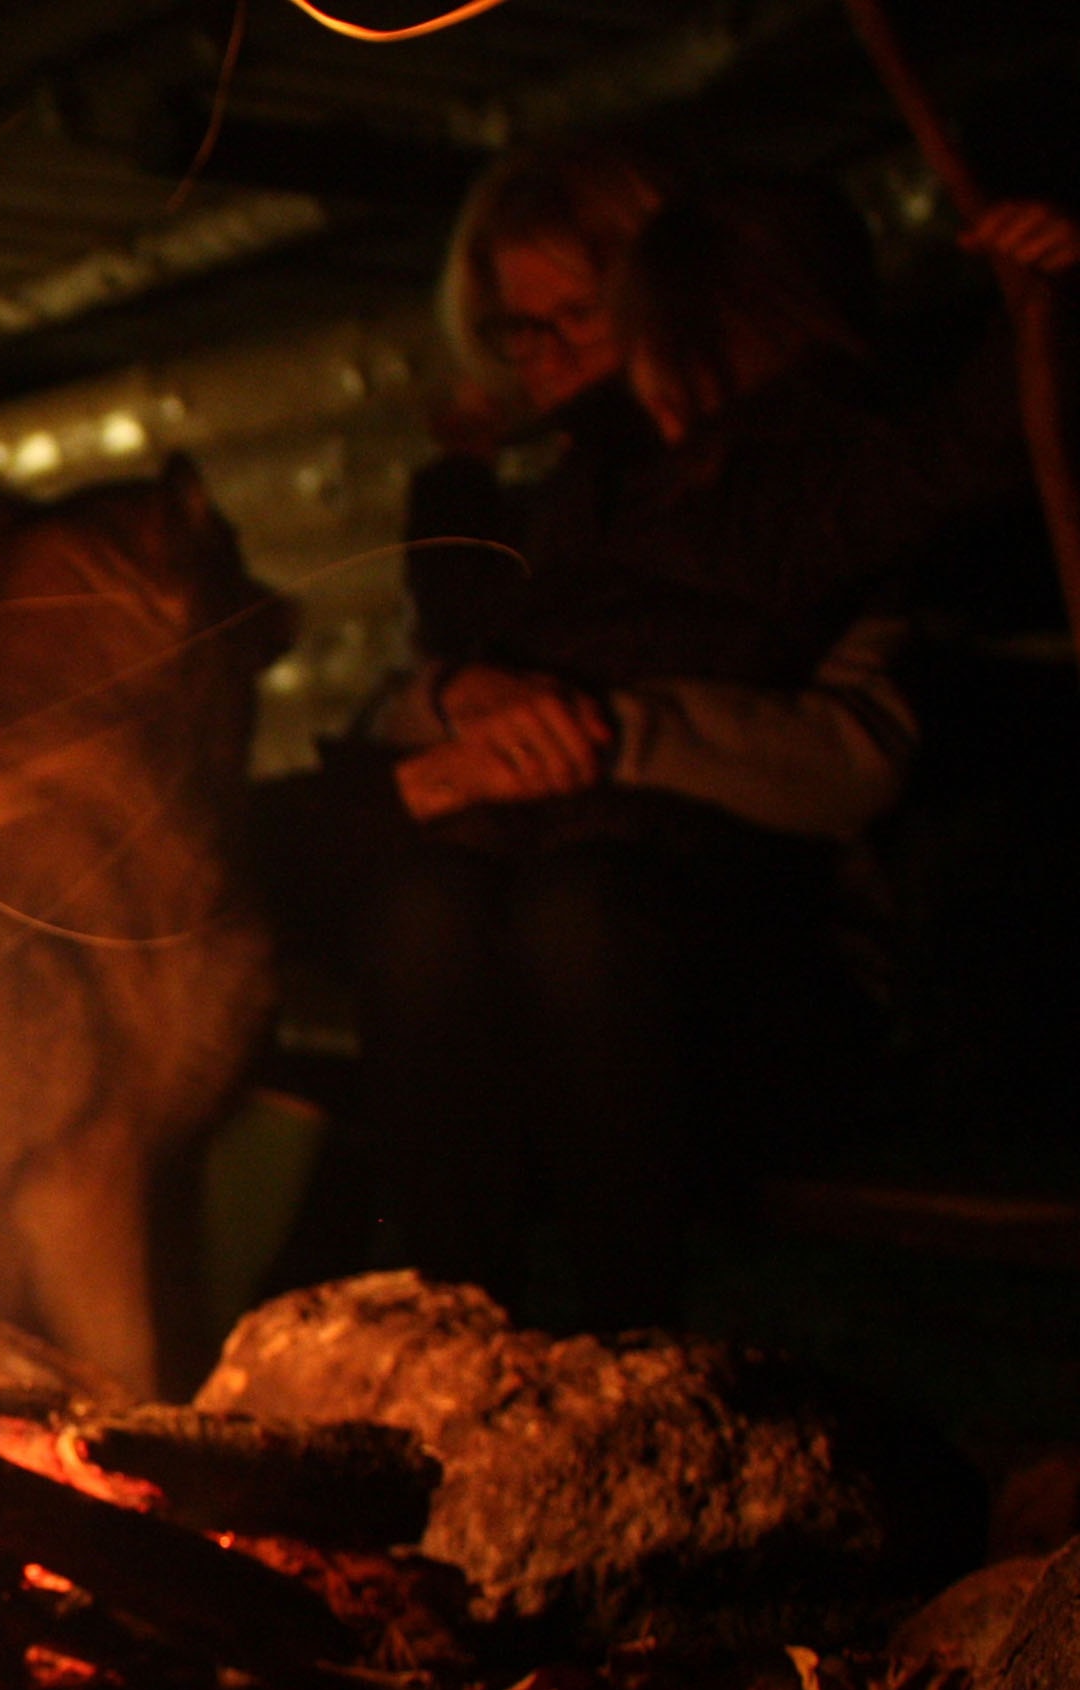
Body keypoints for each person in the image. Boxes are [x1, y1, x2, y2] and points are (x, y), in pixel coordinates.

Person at [350, 173, 1071, 1330]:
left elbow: (850, 738)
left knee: (577, 910)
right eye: (511, 326)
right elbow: (456, 643)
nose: (541, 353)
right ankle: (461, 1319)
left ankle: (629, 1341)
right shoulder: (585, 484)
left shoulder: (796, 477)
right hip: (559, 903)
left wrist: (603, 729)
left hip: (748, 957)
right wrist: (459, 698)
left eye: (576, 320)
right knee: (429, 902)